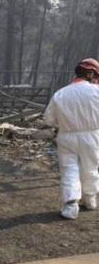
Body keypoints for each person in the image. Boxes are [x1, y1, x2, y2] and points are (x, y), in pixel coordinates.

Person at [44, 58, 99, 219]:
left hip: (66, 136)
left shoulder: (60, 93)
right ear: (91, 73)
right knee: (90, 168)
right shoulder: (96, 92)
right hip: (92, 135)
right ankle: (90, 200)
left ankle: (70, 206)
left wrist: (65, 122)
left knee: (69, 169)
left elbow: (48, 120)